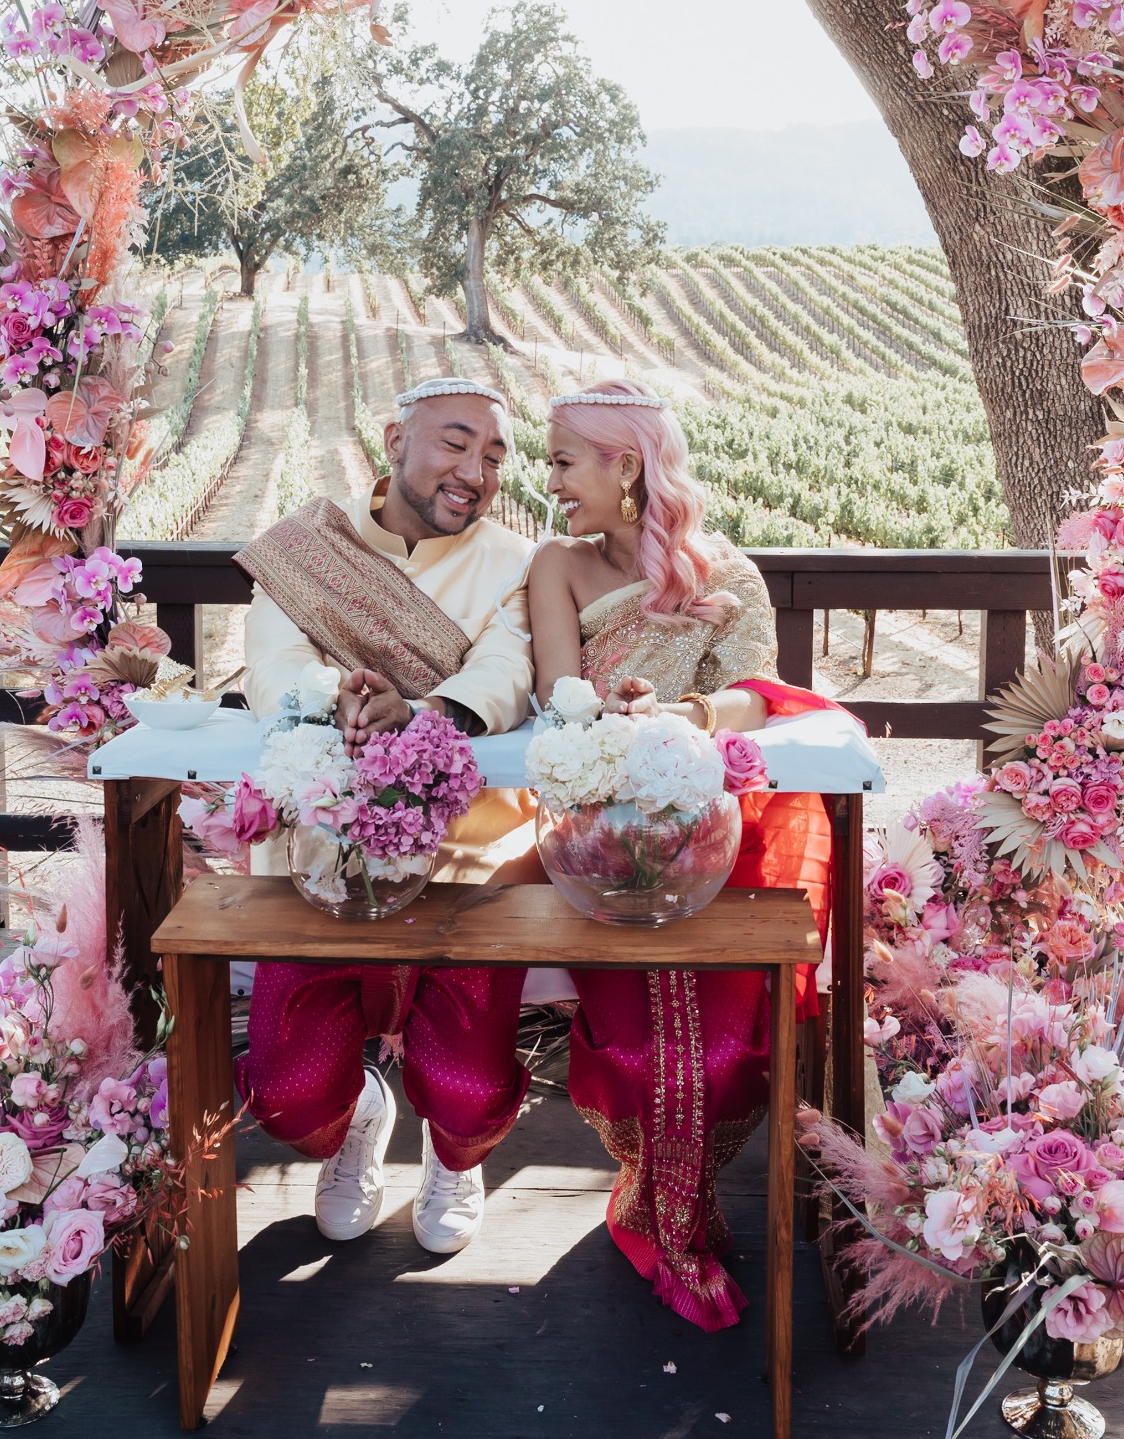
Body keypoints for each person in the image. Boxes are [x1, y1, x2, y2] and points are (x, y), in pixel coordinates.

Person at [527, 379, 835, 1330]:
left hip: (714, 842)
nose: (550, 480)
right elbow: (553, 697)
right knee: (633, 1048)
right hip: (593, 846)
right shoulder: (558, 566)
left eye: (564, 460)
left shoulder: (724, 568)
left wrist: (685, 718)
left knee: (726, 1051)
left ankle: (679, 1206)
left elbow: (753, 689)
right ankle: (651, 1205)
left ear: (627, 466)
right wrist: (602, 724)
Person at [234, 378, 535, 1254]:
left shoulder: (514, 560)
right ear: (394, 436)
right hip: (314, 867)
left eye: (492, 456)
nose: (472, 471)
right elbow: (270, 670)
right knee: (284, 1093)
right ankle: (361, 1114)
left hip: (468, 865)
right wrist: (342, 698)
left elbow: (509, 667)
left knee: (471, 1091)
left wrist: (428, 713)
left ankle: (453, 1153)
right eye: (453, 442)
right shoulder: (304, 548)